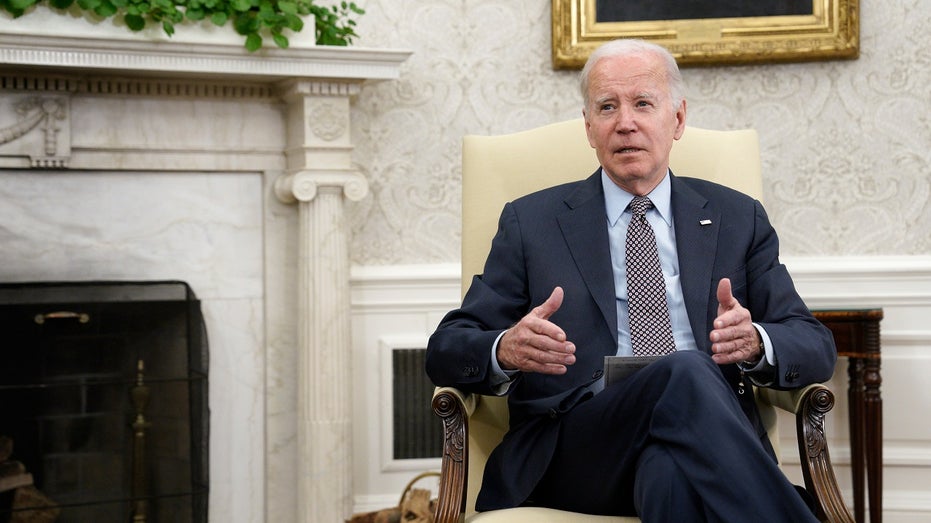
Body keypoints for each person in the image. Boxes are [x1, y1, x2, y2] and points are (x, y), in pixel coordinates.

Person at [425, 39, 836, 522]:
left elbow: (814, 344)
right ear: (589, 127)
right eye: (607, 107)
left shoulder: (736, 217)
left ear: (677, 119)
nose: (625, 123)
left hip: (698, 442)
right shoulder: (531, 223)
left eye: (643, 103)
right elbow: (447, 348)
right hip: (578, 449)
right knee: (684, 368)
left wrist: (758, 341)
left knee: (669, 476)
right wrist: (504, 348)